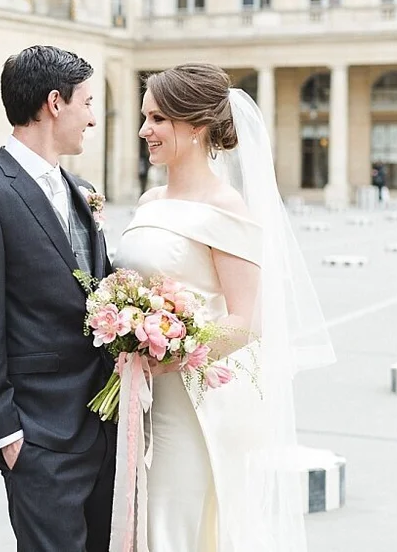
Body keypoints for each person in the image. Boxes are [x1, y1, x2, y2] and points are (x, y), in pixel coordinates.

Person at [113, 63, 335, 550]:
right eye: (145, 117)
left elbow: (246, 321)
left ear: (196, 126)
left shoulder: (227, 207)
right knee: (142, 521)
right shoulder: (150, 200)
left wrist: (173, 350)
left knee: (174, 525)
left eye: (158, 119)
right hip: (138, 395)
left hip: (192, 404)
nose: (144, 130)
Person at [0, 45, 117, 551]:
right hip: (39, 438)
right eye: (88, 103)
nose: (93, 118)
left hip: (102, 428)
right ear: (55, 103)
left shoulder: (81, 189)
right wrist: (8, 437)